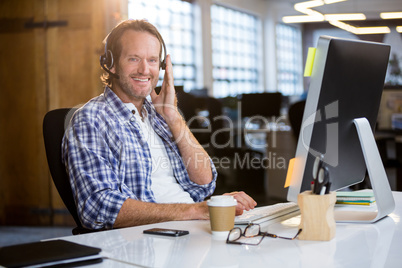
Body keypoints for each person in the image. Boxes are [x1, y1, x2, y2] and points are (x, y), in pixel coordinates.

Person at [62, 19, 256, 230]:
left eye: (153, 60)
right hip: (150, 238)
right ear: (110, 63)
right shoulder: (91, 119)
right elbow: (97, 207)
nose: (145, 70)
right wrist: (195, 211)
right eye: (134, 59)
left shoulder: (160, 116)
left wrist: (172, 115)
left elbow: (204, 184)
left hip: (190, 227)